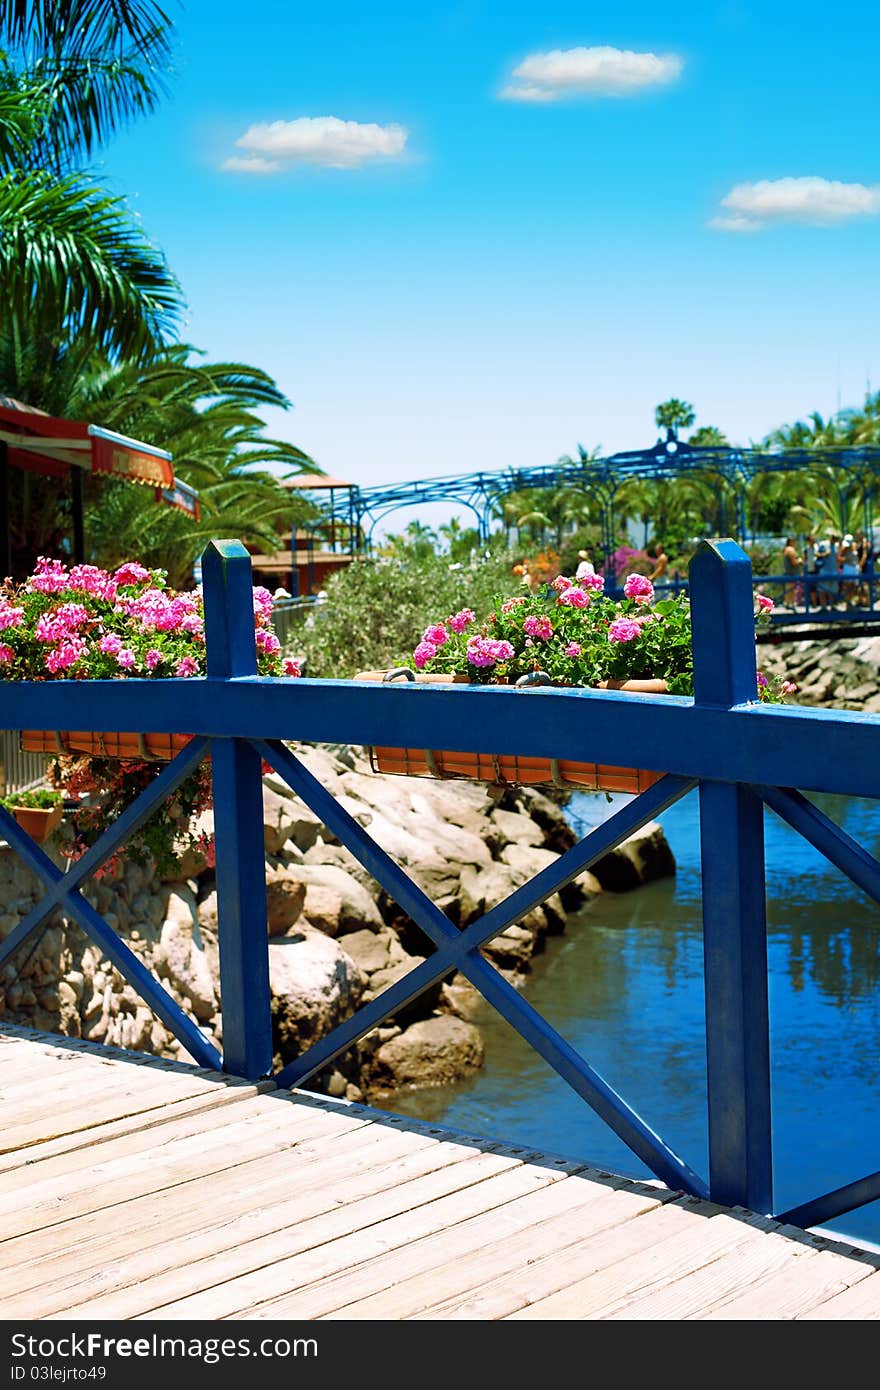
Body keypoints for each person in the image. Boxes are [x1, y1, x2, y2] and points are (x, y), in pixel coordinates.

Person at [781, 537, 802, 608]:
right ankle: (791, 603)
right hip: (791, 573)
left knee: (789, 589)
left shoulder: (786, 549)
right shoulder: (790, 549)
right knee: (791, 589)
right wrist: (799, 560)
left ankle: (788, 603)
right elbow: (794, 562)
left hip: (788, 572)